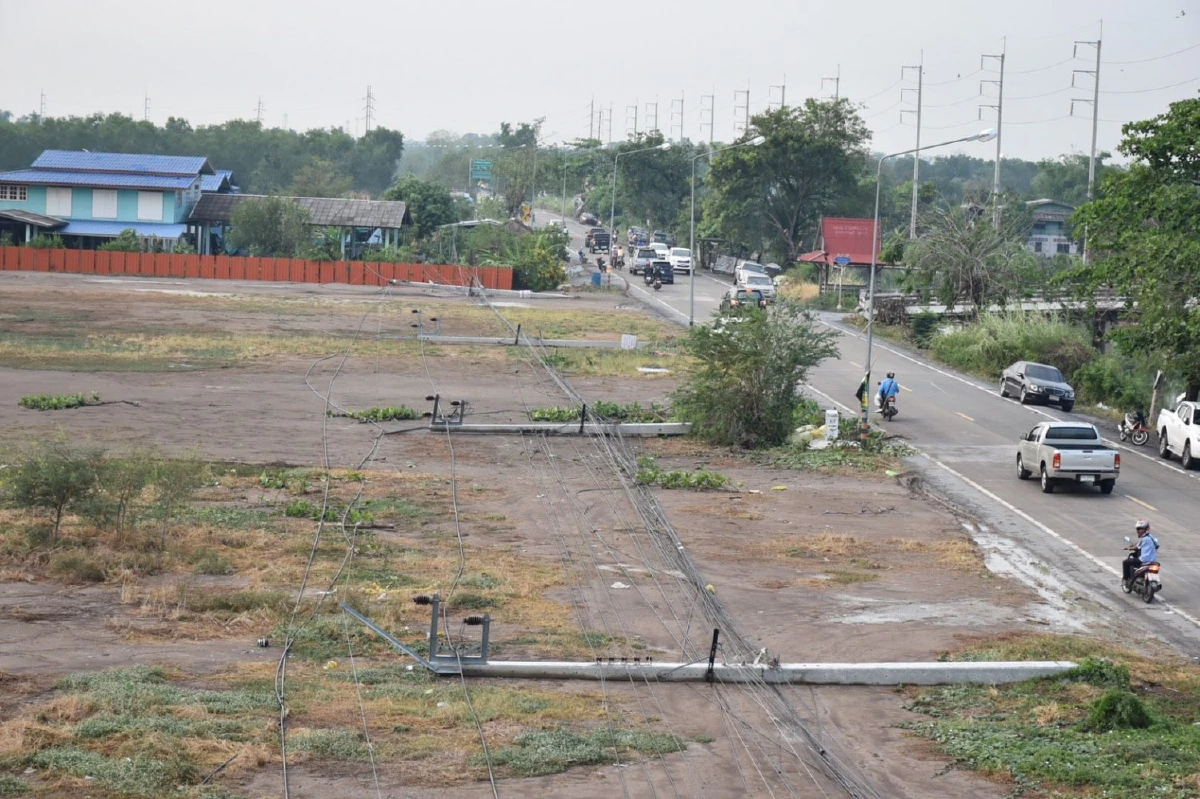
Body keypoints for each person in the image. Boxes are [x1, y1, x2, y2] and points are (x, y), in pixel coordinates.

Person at [1123, 519, 1160, 587]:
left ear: (1146, 529)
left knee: (1125, 562)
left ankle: (1126, 580)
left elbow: (1137, 547)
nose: (1139, 531)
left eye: (1141, 529)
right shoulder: (1151, 537)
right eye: (1139, 529)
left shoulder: (1144, 539)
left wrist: (1129, 548)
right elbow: (1157, 545)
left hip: (1143, 560)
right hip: (1152, 560)